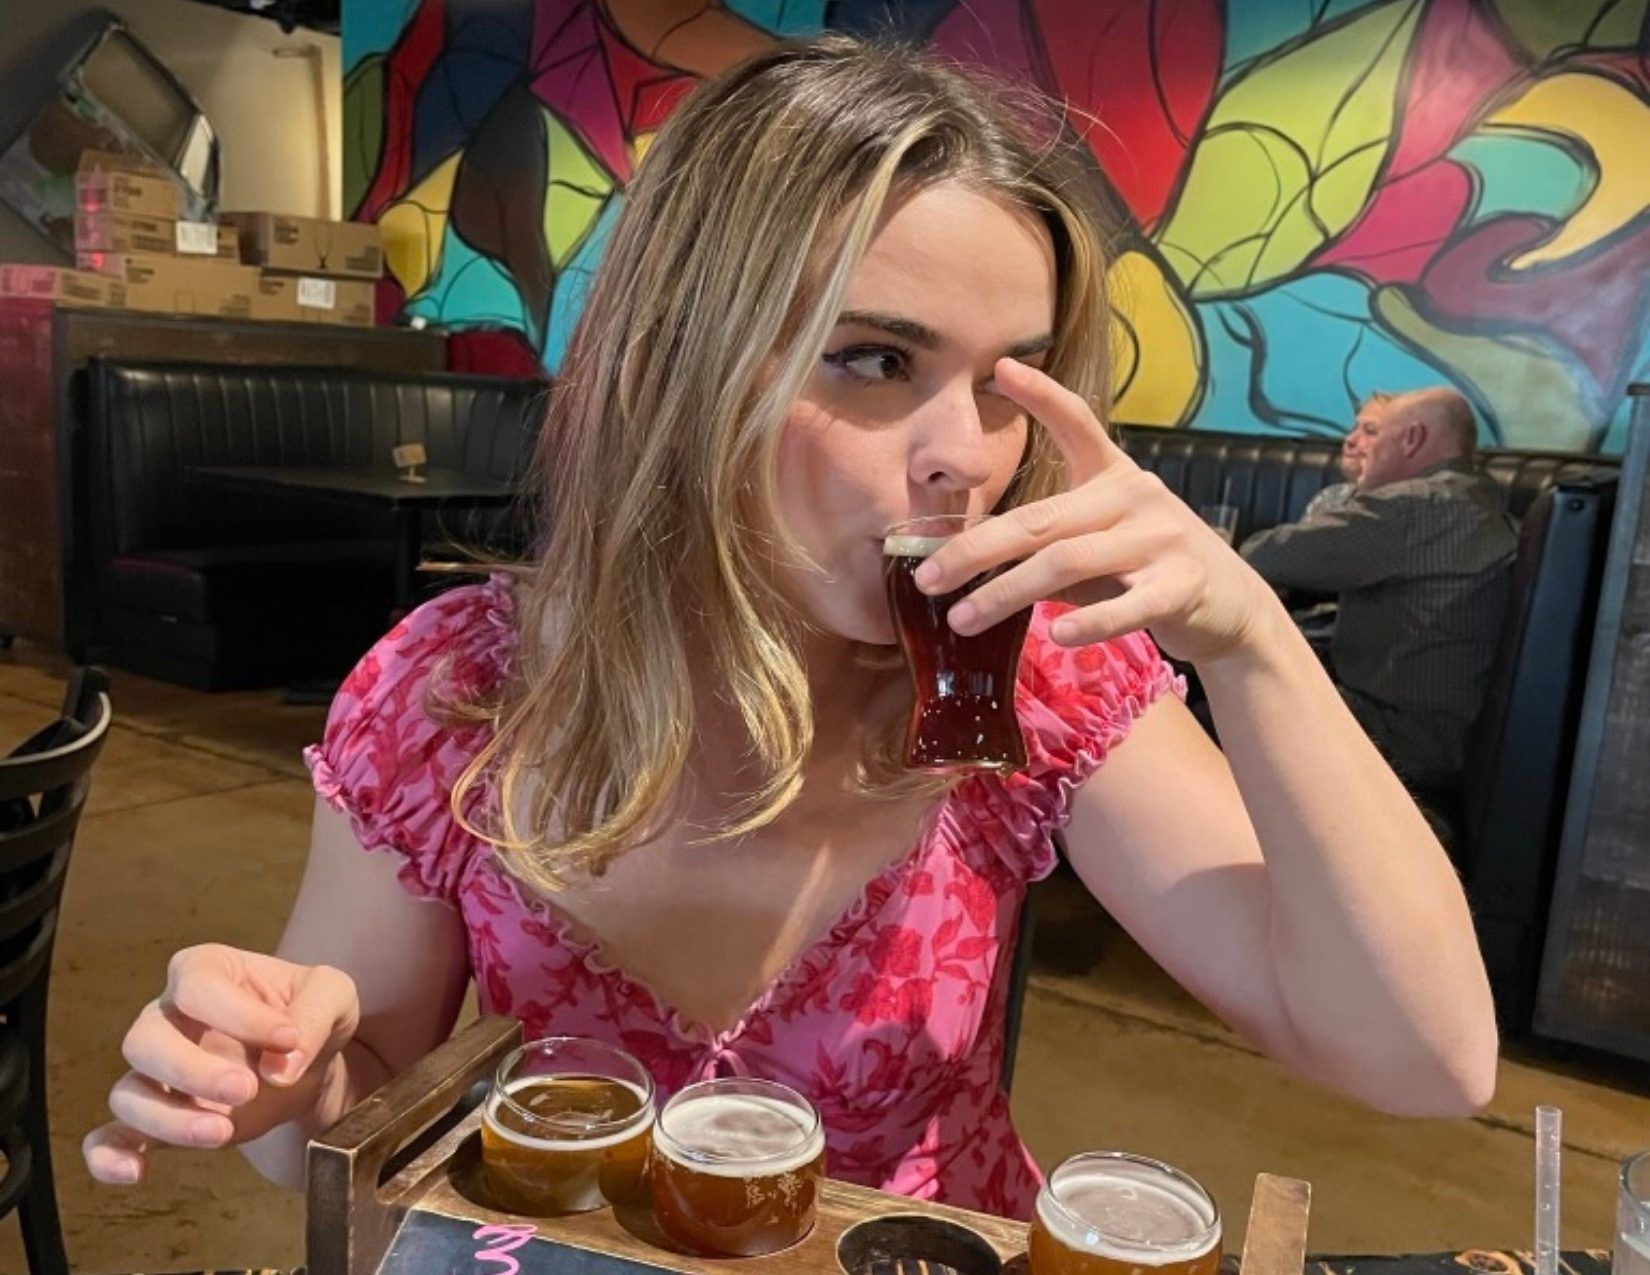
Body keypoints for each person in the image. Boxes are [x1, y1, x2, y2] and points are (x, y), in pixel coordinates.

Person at [83, 37, 1497, 1219]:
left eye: (1005, 382)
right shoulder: (457, 693)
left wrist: (1248, 640)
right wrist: (274, 1079)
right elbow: (349, 1121)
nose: (966, 456)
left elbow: (1424, 1062)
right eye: (873, 359)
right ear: (680, 364)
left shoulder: (1028, 677)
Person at [1241, 387, 1516, 793]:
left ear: (1411, 439)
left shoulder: (1416, 505)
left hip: (1400, 739)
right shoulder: (1477, 496)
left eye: (1377, 434)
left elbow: (1265, 555)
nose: (1363, 448)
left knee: (1206, 706)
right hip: (1448, 740)